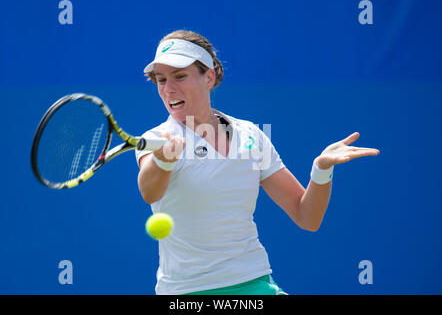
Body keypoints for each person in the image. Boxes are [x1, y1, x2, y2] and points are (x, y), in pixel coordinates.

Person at [135, 30, 380, 295]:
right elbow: (150, 191)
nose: (168, 89)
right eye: (161, 80)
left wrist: (321, 169)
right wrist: (163, 160)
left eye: (180, 76)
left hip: (255, 282)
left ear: (209, 77)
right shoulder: (157, 138)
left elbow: (306, 216)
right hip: (188, 292)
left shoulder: (250, 134)